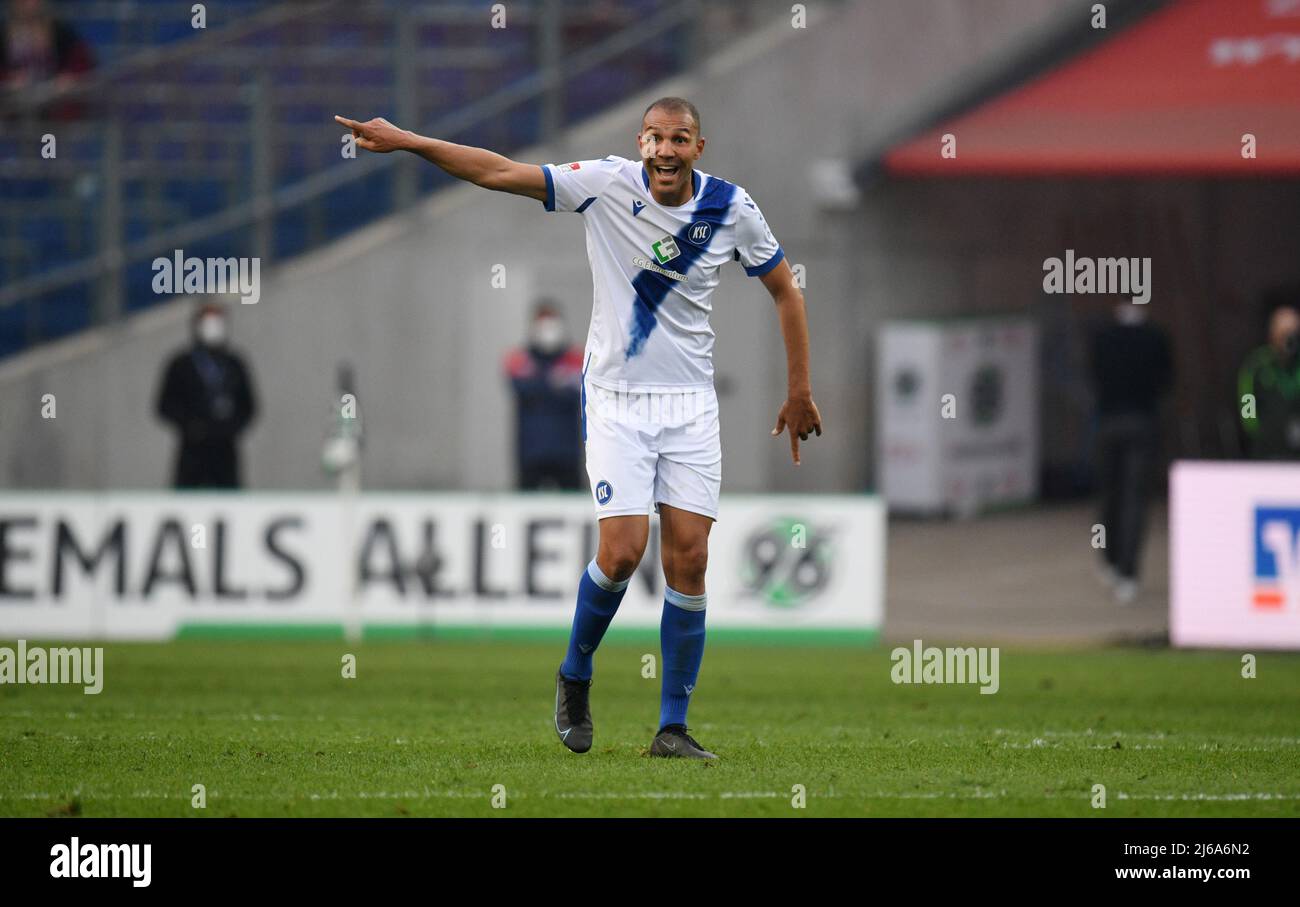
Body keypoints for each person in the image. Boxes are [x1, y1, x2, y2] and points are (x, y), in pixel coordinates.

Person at [336, 96, 821, 759]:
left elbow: (786, 290)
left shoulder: (732, 207)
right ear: (641, 143)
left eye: (681, 139)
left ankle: (672, 728)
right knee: (622, 550)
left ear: (697, 149)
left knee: (691, 559)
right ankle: (574, 673)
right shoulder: (607, 183)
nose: (667, 150)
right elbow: (498, 172)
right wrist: (411, 141)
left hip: (689, 406)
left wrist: (798, 390)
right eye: (656, 139)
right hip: (616, 400)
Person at [1088, 302, 1172, 605]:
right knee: (1133, 500)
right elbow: (1166, 380)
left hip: (1110, 421)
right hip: (1141, 422)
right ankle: (1127, 572)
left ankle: (1110, 560)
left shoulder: (1102, 336)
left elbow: (1093, 375)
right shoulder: (1155, 337)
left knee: (1111, 495)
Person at [155, 304, 258, 489]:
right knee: (188, 498)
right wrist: (191, 425)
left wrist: (229, 427)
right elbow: (165, 405)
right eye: (208, 323)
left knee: (228, 498)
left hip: (225, 448)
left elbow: (249, 406)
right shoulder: (181, 364)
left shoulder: (234, 364)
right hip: (192, 448)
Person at [503, 302, 584, 490]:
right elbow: (523, 388)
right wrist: (556, 382)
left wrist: (544, 382)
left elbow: (576, 393)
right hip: (531, 453)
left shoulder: (576, 359)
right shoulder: (518, 358)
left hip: (567, 453)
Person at [1238, 302, 1300, 461]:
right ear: (1273, 334)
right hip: (1266, 454)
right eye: (1284, 332)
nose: (1289, 339)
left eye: (1294, 332)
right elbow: (1247, 405)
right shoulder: (1256, 365)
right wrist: (1260, 434)